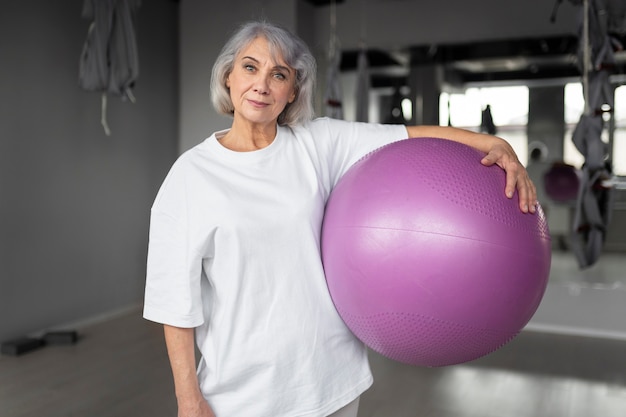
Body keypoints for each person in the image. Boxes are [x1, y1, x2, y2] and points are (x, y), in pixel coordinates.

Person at [143, 21, 537, 417]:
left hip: (332, 382)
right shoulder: (190, 176)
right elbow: (173, 300)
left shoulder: (317, 142)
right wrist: (187, 398)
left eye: (278, 74)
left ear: (292, 90)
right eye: (250, 67)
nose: (261, 85)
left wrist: (495, 144)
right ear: (227, 76)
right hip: (242, 397)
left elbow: (409, 136)